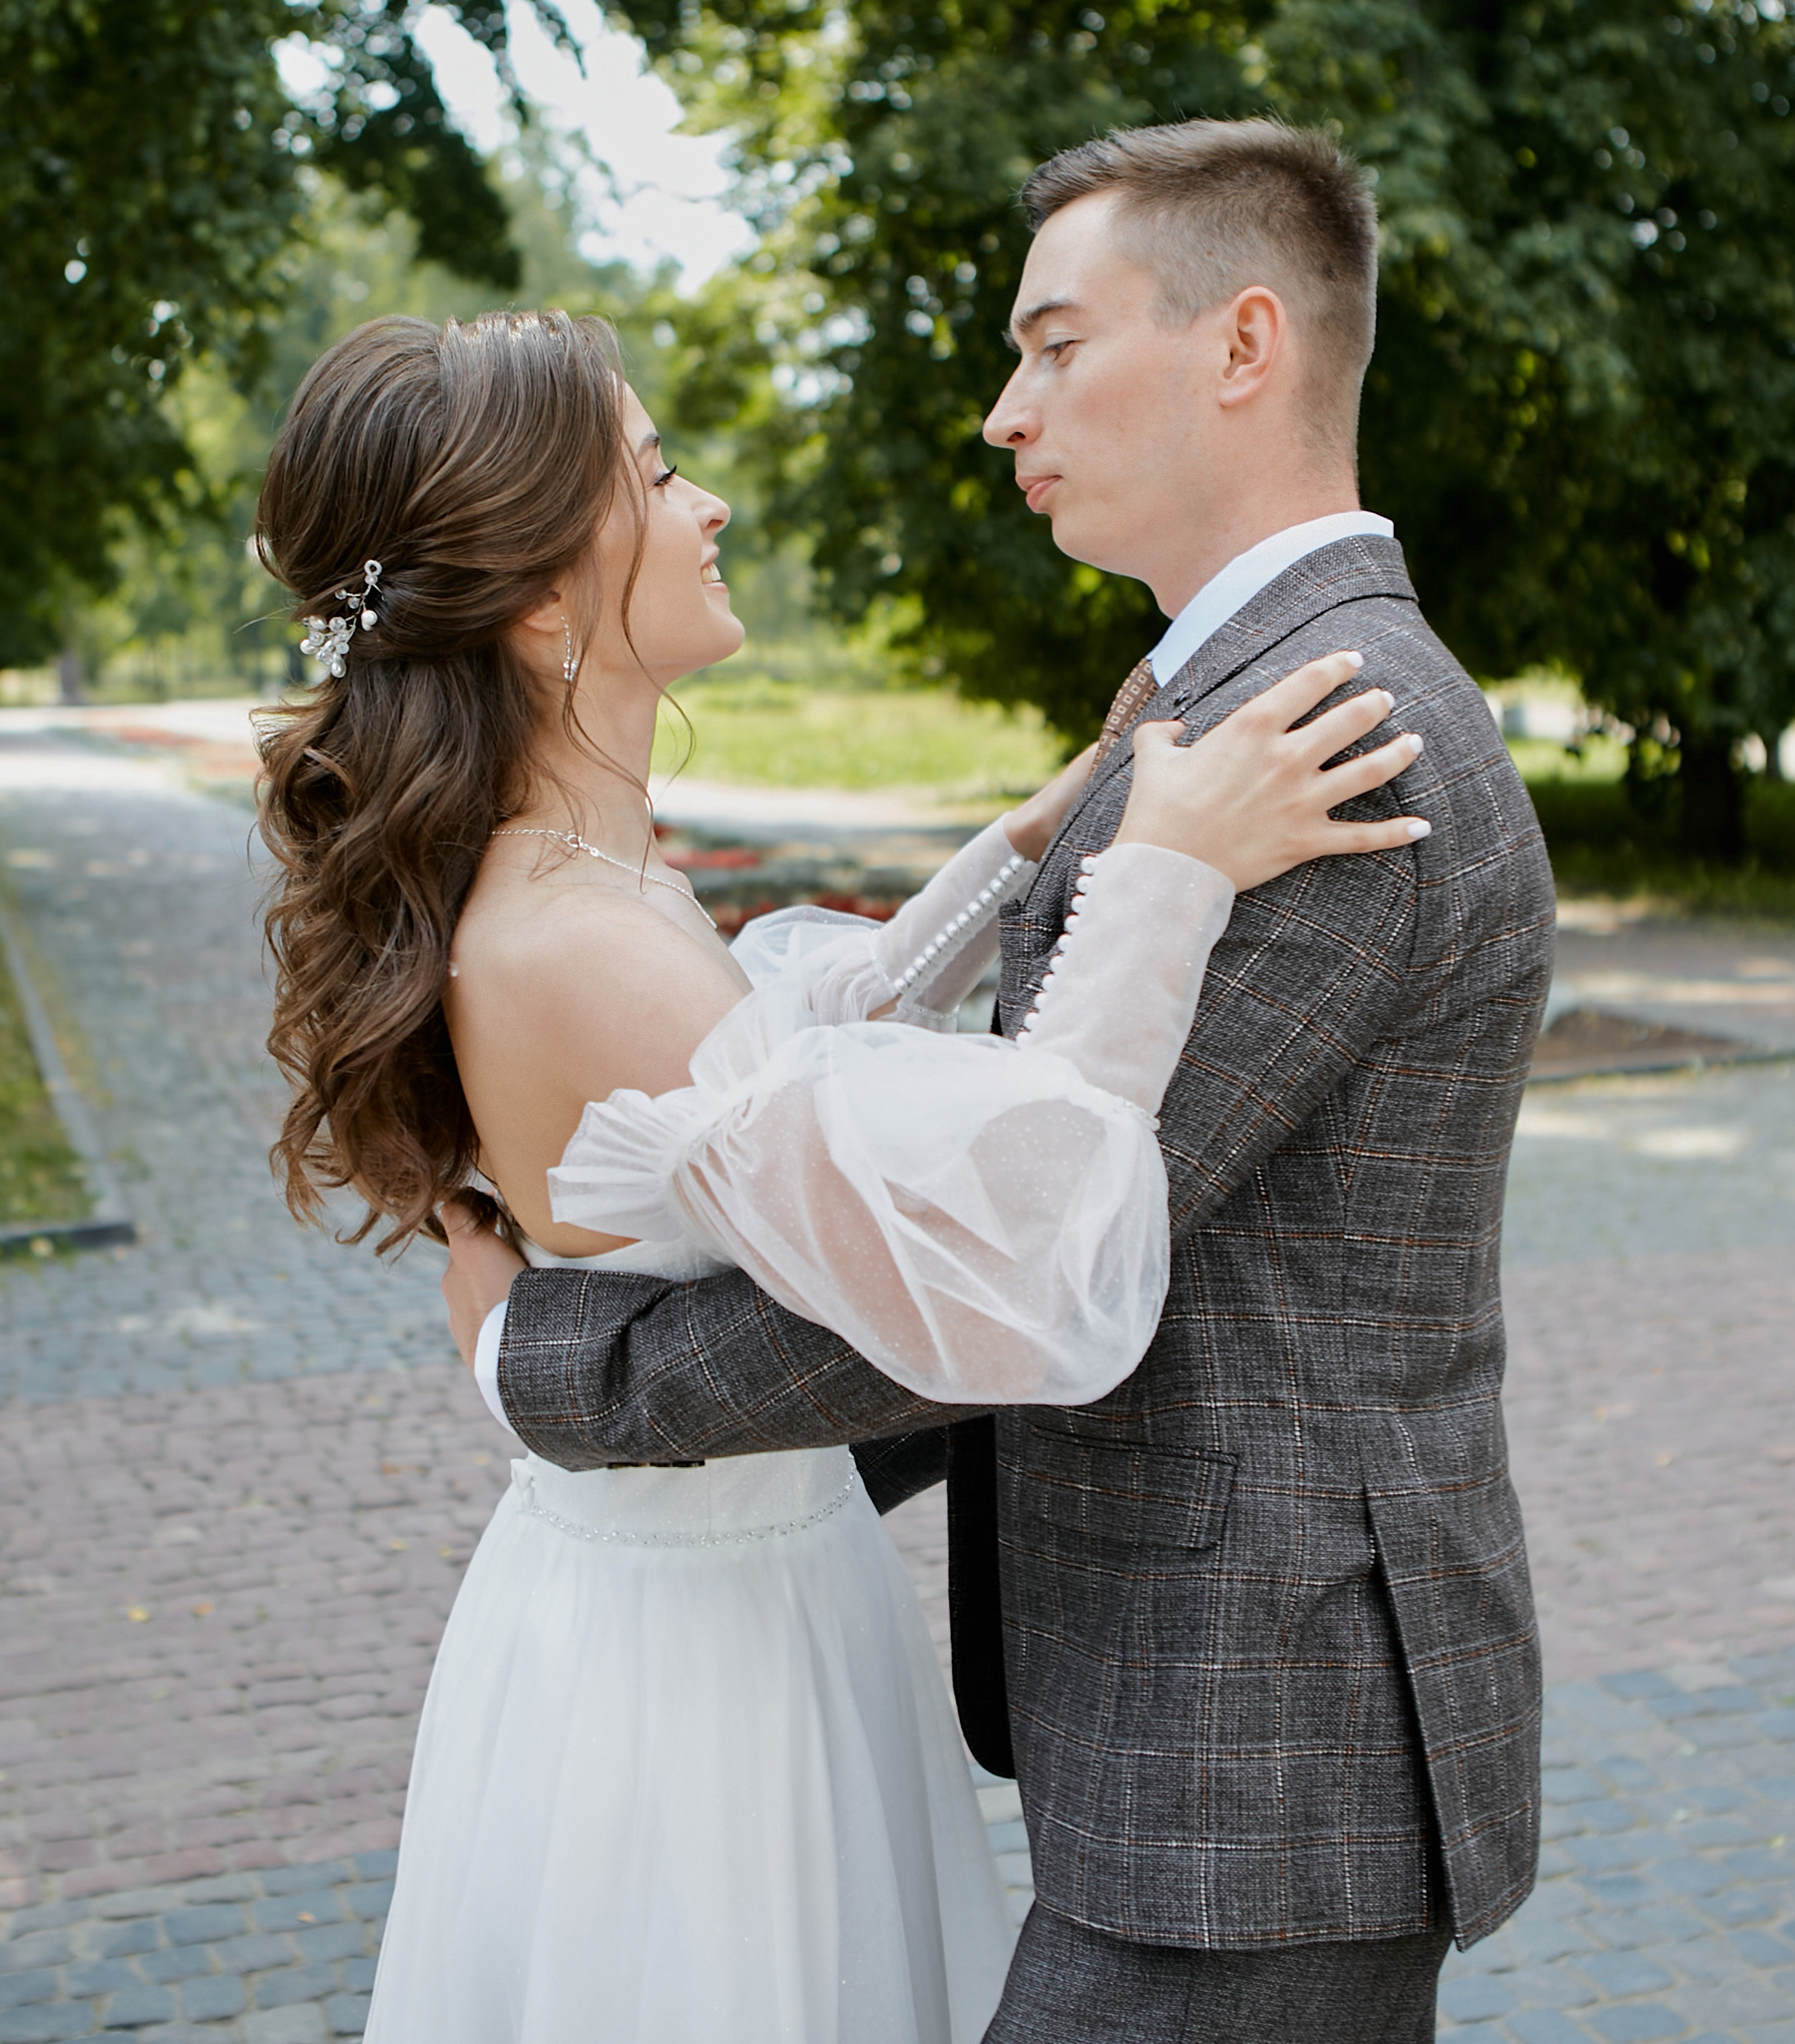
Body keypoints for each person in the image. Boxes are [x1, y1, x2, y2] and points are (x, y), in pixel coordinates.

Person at [447, 118, 1559, 2042]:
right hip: (1215, 1747)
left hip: (1264, 1766)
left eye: (1054, 345)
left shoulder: (1329, 737)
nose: (1001, 412)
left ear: (1244, 345)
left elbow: (1003, 1259)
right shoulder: (1217, 715)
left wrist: (564, 1374)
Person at [251, 306, 1428, 2044]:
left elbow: (783, 1055)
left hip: (721, 1586)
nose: (708, 503)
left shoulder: (590, 880)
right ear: (545, 602)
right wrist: (1164, 874)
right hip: (701, 1669)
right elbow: (1009, 1255)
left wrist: (1030, 842)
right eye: (658, 474)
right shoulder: (573, 937)